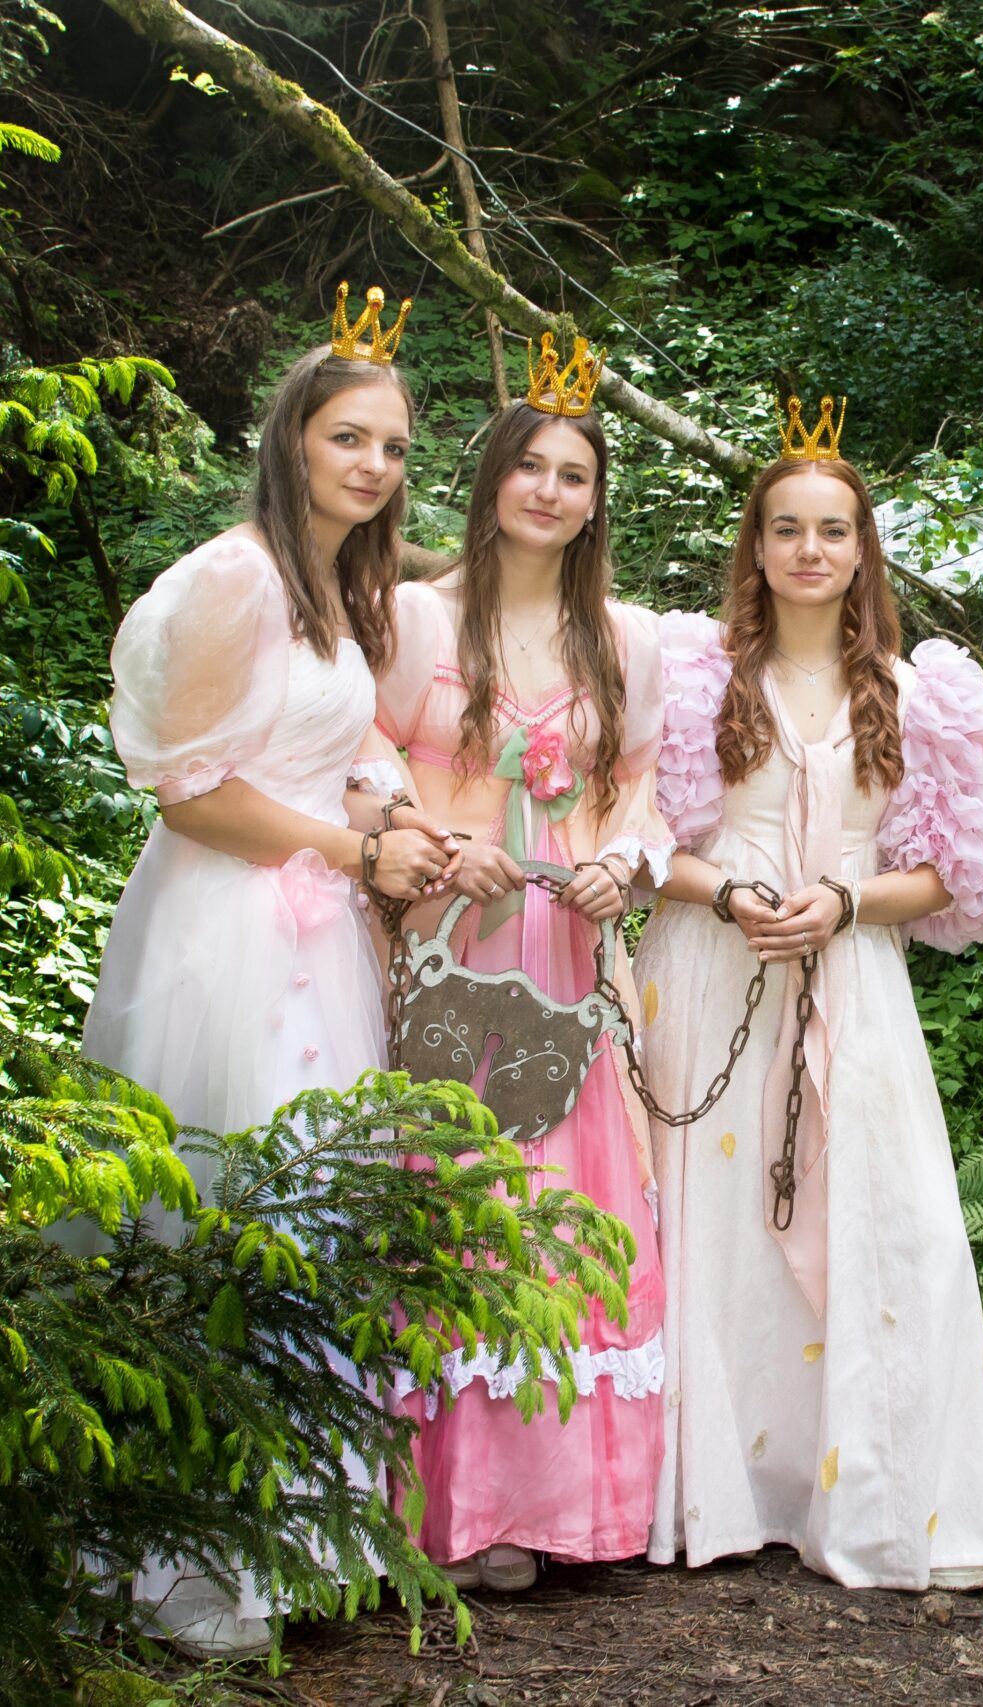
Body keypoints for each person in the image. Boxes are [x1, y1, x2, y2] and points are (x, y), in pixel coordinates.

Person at [76, 286, 454, 1655]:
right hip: (226, 931)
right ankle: (180, 1560)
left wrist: (397, 813)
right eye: (348, 437)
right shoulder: (233, 577)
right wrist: (357, 852)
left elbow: (335, 745)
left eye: (394, 447)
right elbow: (189, 792)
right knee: (226, 1206)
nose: (374, 464)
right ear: (292, 438)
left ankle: (290, 1546)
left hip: (319, 932)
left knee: (314, 1212)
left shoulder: (340, 588)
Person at [638, 399, 983, 1592]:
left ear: (863, 551)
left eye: (833, 529)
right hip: (709, 971)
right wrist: (726, 891)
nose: (809, 549)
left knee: (883, 1218)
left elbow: (958, 875)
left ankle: (876, 1495)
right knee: (711, 1228)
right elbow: (636, 836)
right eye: (786, 528)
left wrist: (849, 902)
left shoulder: (920, 697)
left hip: (852, 981)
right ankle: (717, 1490)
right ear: (754, 548)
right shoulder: (692, 680)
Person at [364, 335, 671, 1594]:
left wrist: (623, 865)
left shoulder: (626, 640)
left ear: (596, 502)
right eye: (529, 466)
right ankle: (451, 1502)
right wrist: (431, 838)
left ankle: (562, 1504)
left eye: (574, 474)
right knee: (455, 1194)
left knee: (569, 1206)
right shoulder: (414, 617)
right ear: (490, 478)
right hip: (445, 946)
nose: (549, 490)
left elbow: (645, 795)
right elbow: (361, 754)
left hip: (566, 956)